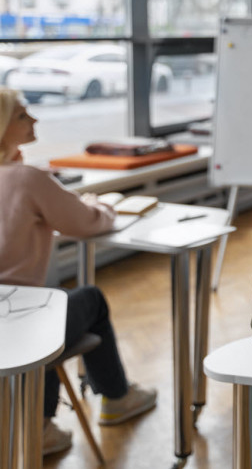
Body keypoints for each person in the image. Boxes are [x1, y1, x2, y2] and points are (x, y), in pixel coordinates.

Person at [0, 88, 157, 456]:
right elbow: (87, 223)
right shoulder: (25, 179)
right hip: (18, 323)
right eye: (23, 115)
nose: (34, 120)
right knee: (87, 300)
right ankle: (109, 400)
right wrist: (101, 206)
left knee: (57, 306)